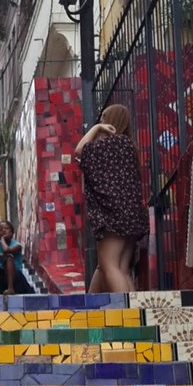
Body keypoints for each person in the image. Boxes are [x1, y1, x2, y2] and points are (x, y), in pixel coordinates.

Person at [74, 104, 149, 293]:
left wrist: (96, 129)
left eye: (103, 118)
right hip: (132, 216)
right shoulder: (128, 146)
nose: (101, 122)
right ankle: (93, 309)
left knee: (109, 266)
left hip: (113, 216)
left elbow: (79, 151)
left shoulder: (108, 145)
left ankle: (128, 315)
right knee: (119, 269)